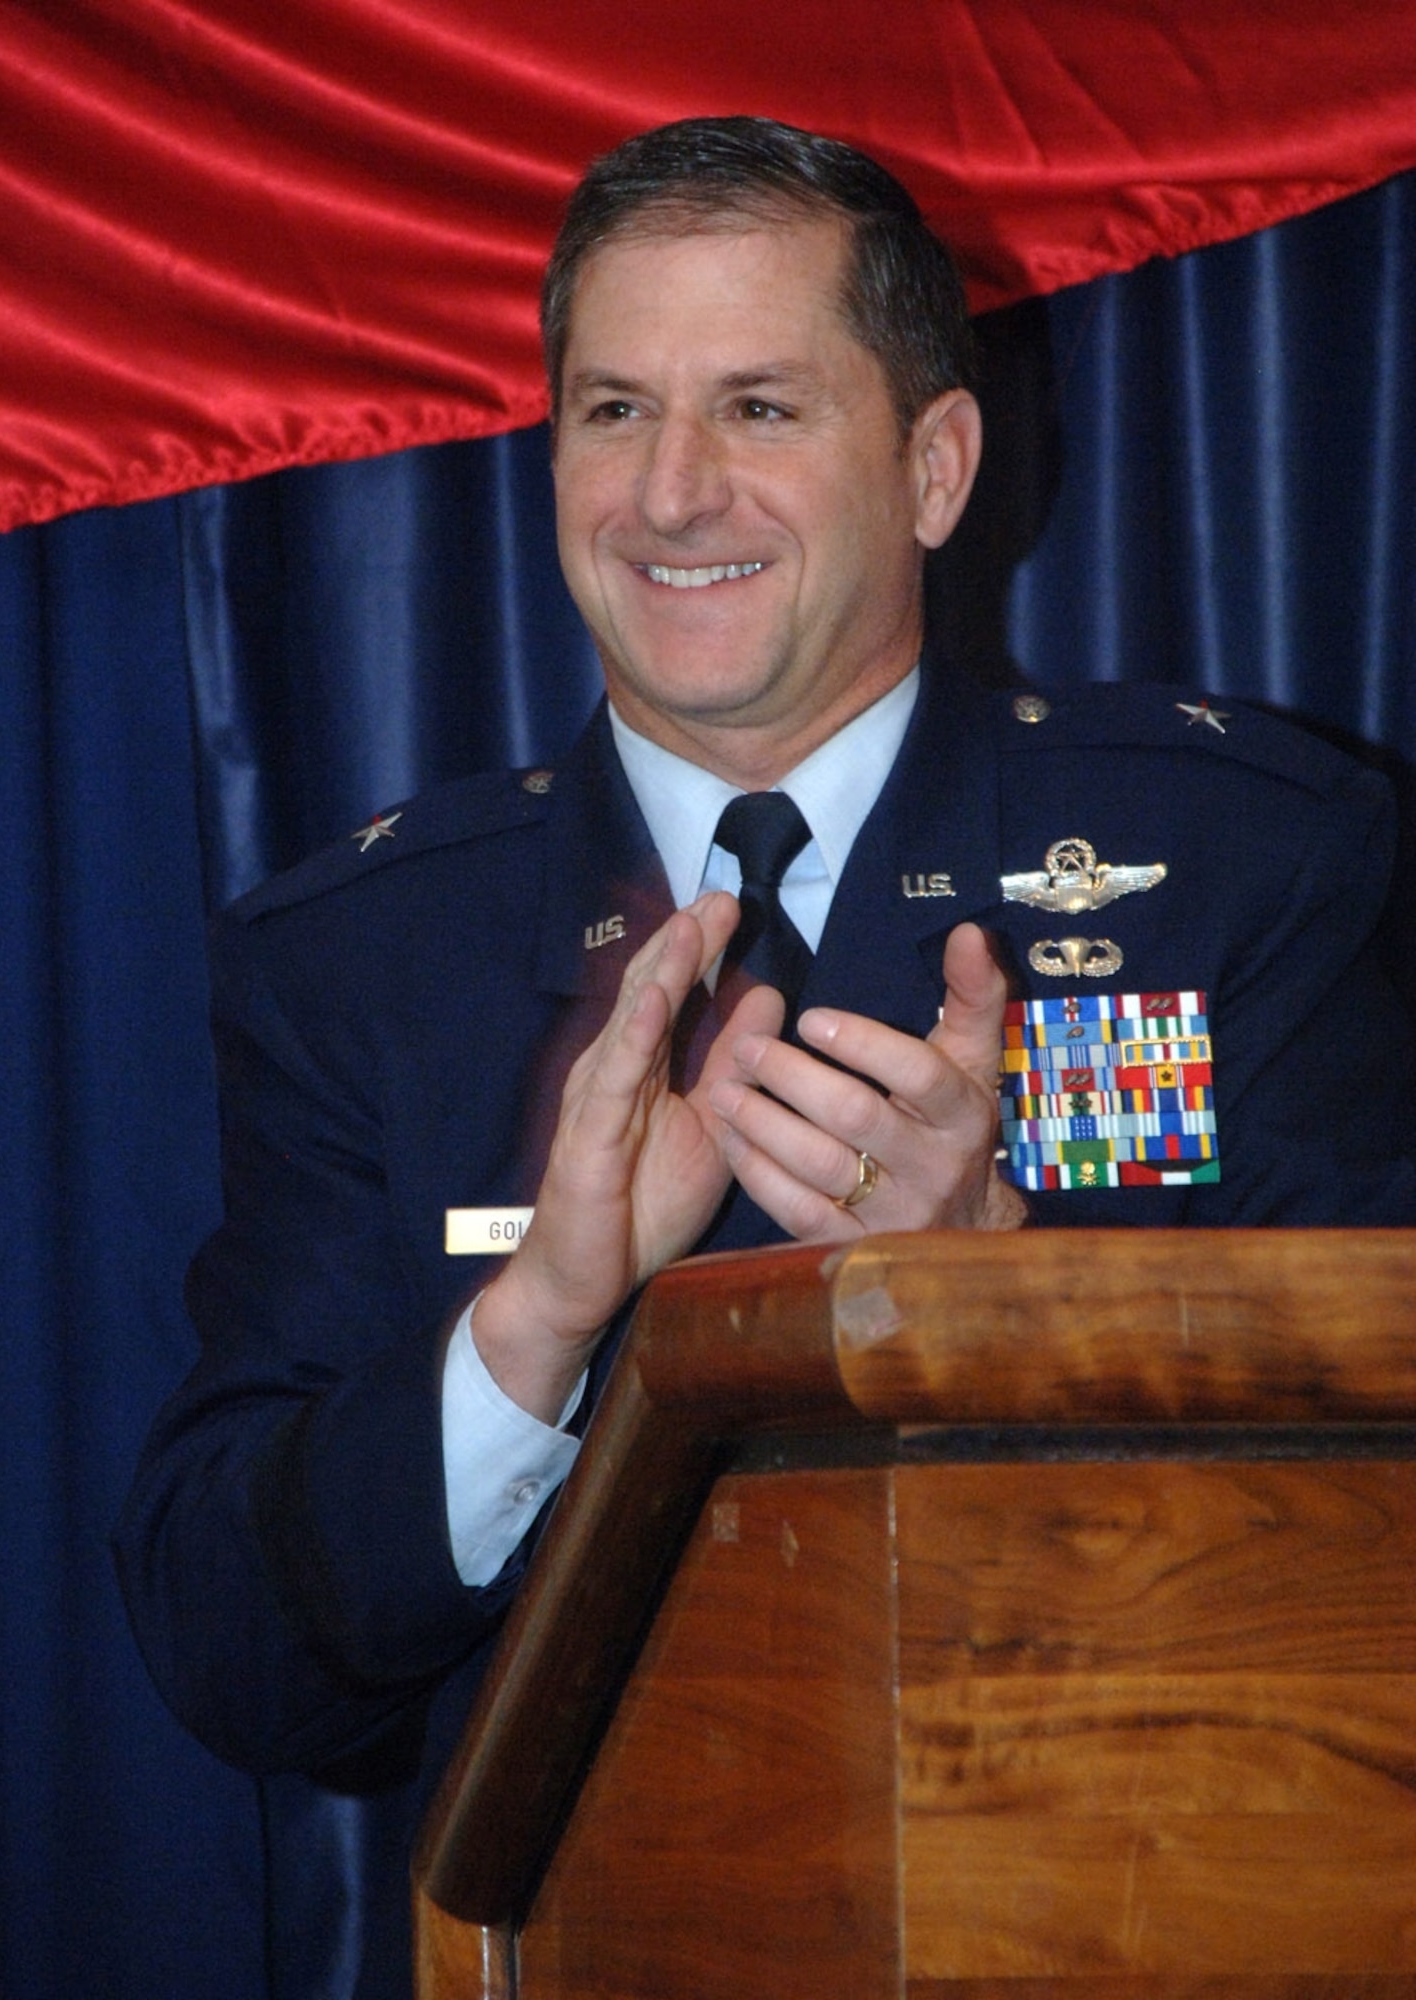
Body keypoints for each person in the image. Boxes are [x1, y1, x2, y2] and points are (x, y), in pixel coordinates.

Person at [115, 116, 1416, 1997]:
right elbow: (234, 1659)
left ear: (937, 464)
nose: (670, 494)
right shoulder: (364, 962)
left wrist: (1013, 1295)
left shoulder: (1242, 859)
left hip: (1151, 1908)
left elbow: (1380, 1499)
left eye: (761, 408)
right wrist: (533, 1332)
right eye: (614, 410)